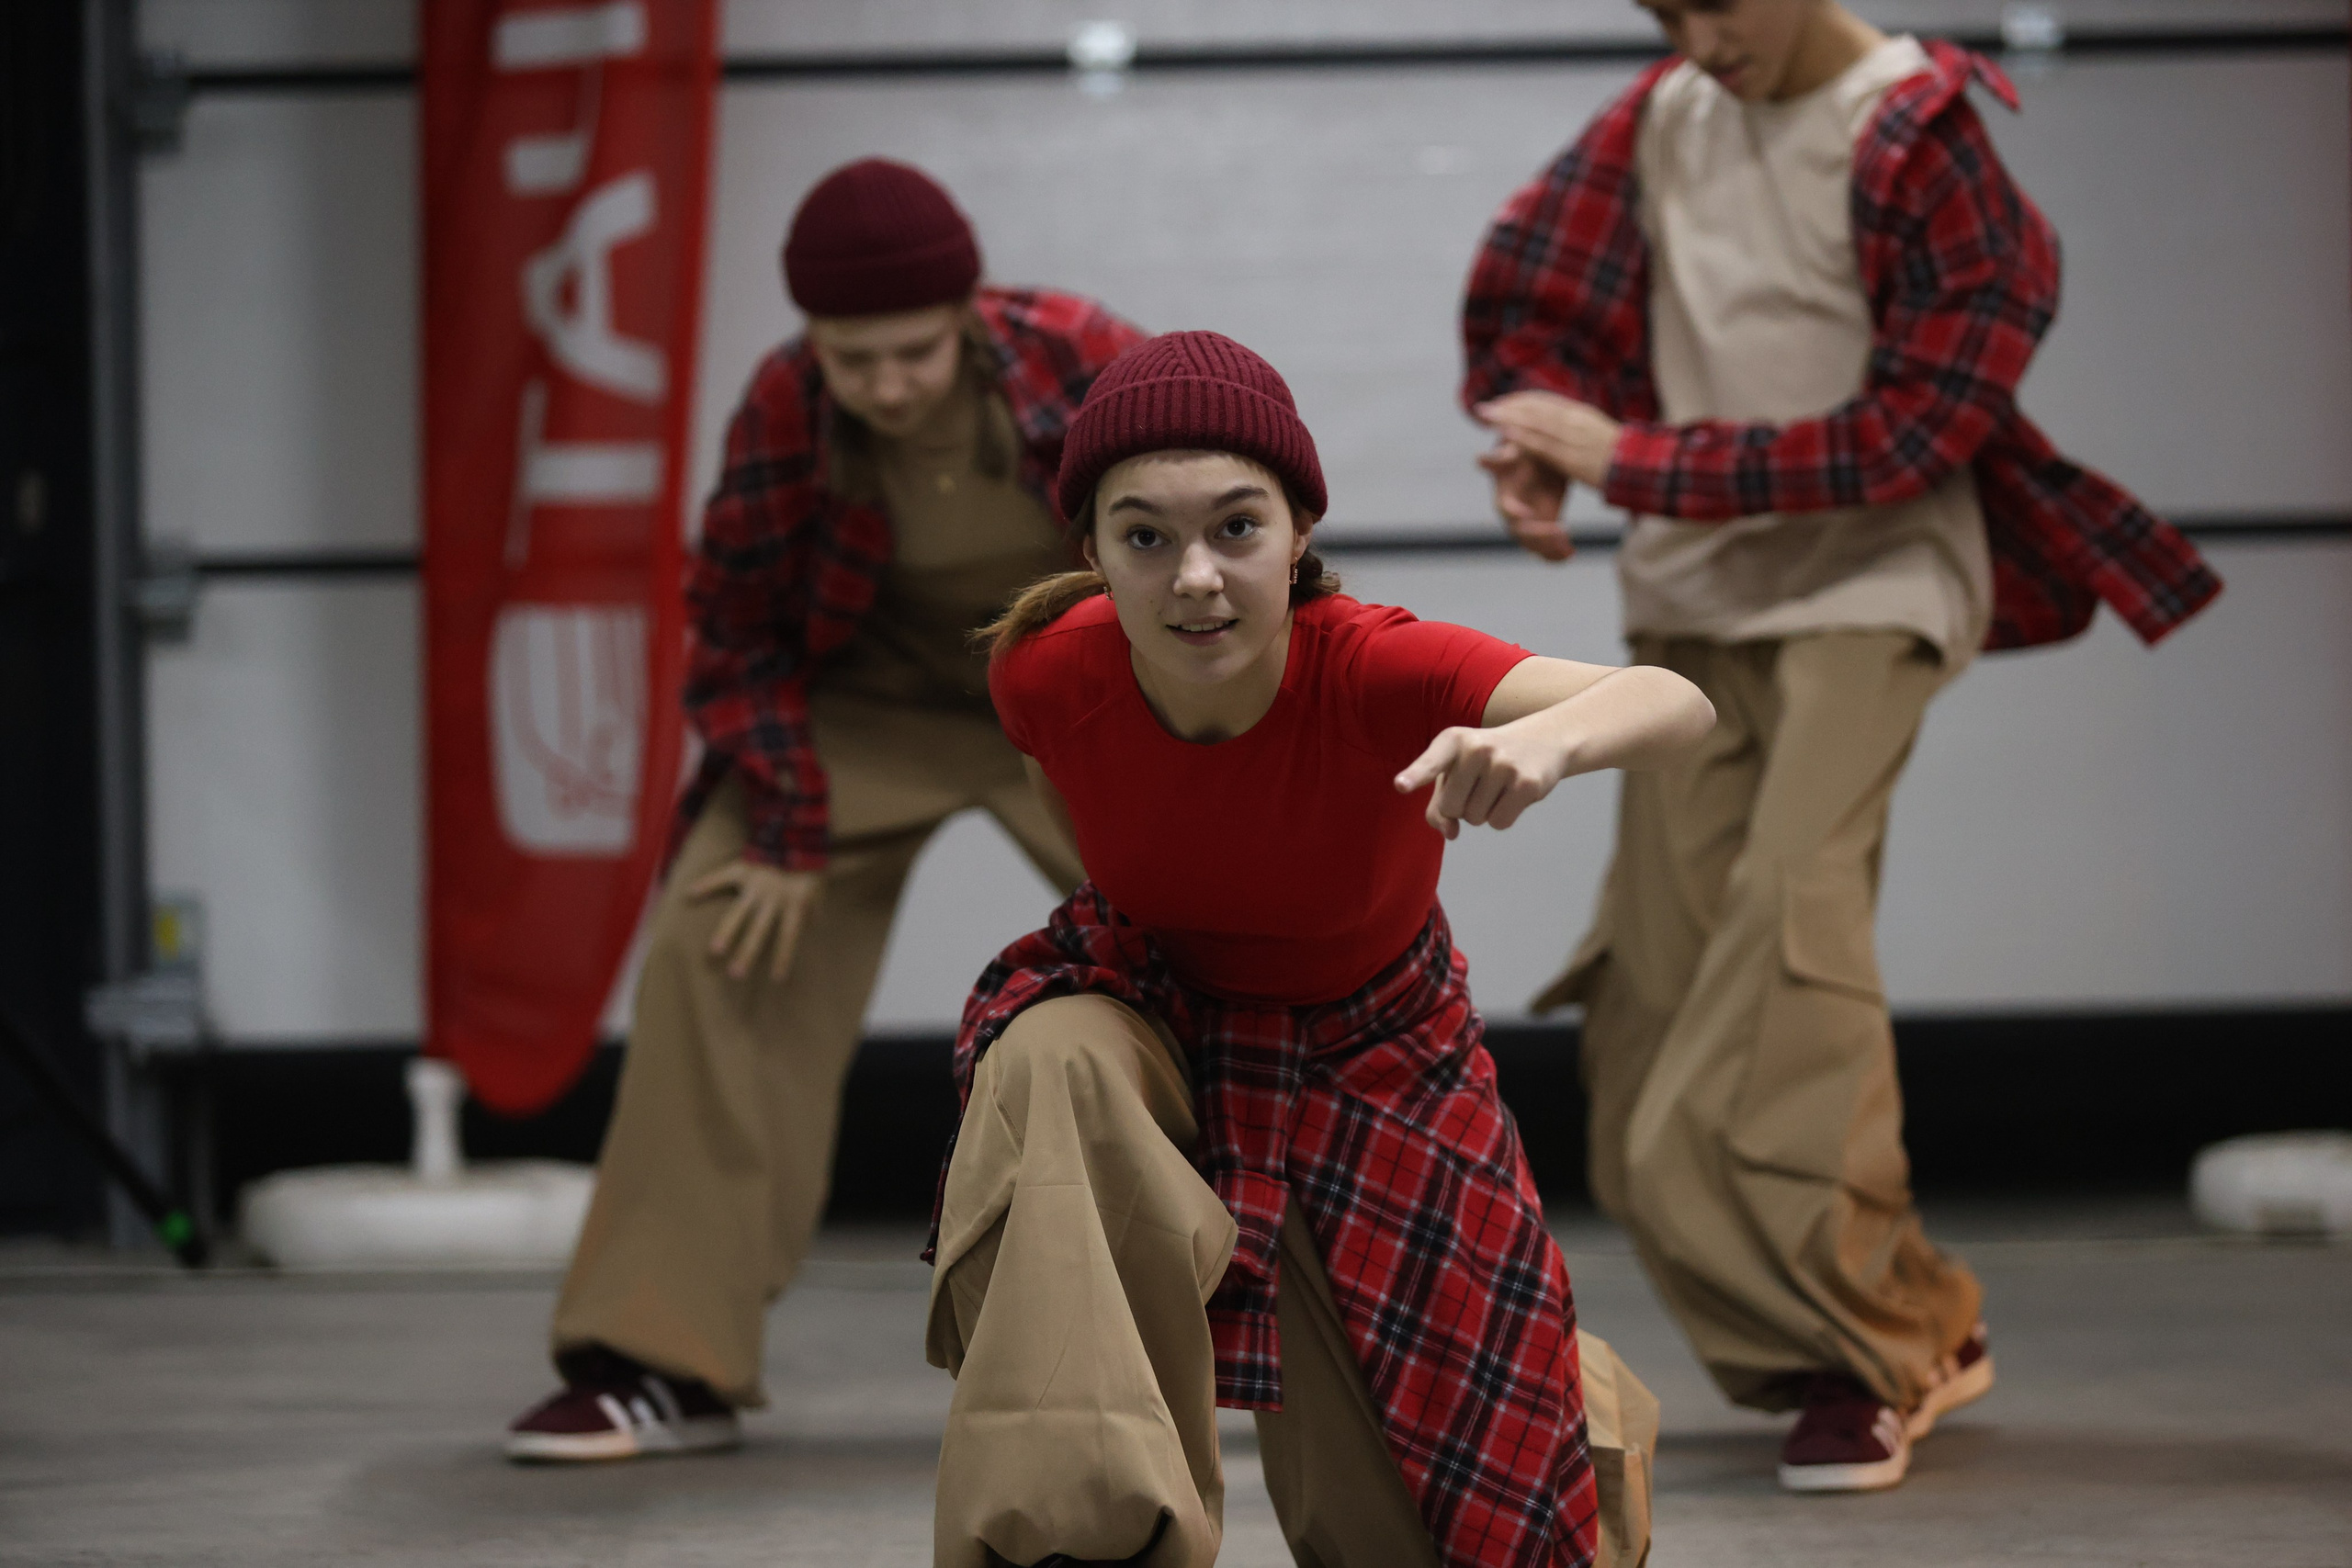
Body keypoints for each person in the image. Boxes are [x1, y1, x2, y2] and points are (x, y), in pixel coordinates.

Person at [1459, 0, 2222, 1494]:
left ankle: (1874, 1351)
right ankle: (1891, 1332)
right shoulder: (1664, 111)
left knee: (1779, 979)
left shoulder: (1919, 138)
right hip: (1691, 599)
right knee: (1650, 1025)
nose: (1694, 35)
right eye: (1659, 8)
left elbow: (1912, 434)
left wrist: (1634, 460)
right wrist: (1537, 448)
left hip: (1872, 588)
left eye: (1716, 2)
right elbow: (1538, 296)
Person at [925, 331, 1716, 1568]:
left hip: (1374, 1052)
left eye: (1236, 528)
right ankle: (1081, 1544)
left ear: (1299, 531)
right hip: (1163, 1018)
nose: (1196, 577)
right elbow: (1086, 841)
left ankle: (1558, 1399)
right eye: (1146, 538)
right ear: (1091, 554)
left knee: (1438, 1525)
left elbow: (1676, 700)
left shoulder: (1377, 667)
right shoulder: (1045, 673)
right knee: (1054, 1060)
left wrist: (1546, 746)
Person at [504, 159, 1146, 1461]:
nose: (890, 384)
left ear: (969, 311)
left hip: (1073, 691)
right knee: (716, 932)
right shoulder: (788, 406)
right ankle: (658, 1361)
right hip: (865, 711)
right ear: (815, 344)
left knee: (1230, 938)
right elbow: (733, 627)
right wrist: (789, 829)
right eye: (857, 359)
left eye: (914, 352)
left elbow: (1208, 552)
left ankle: (1339, 1330)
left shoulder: (1081, 355)